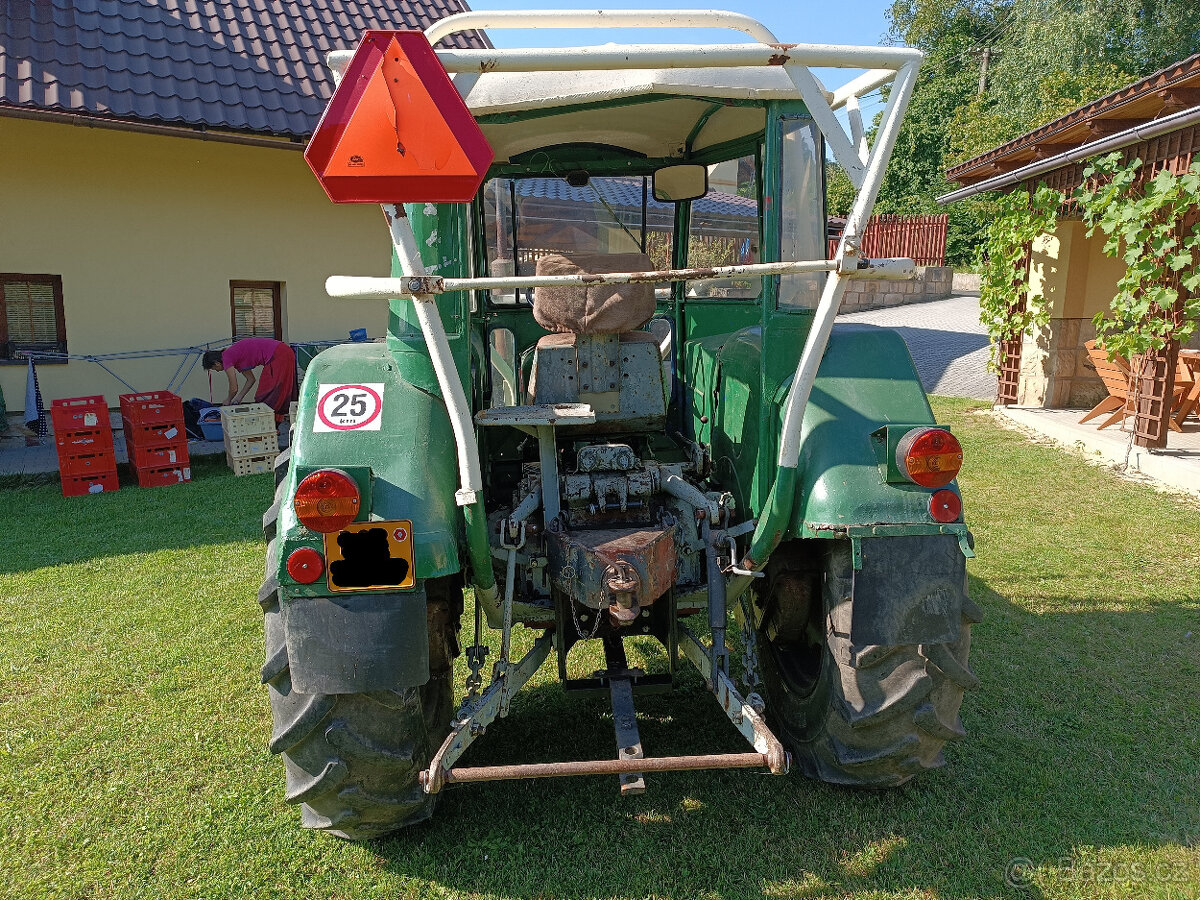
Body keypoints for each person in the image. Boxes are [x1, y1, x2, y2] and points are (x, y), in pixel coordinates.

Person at [202, 337, 297, 419]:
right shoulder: (234, 355)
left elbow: (234, 388)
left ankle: (269, 426)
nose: (218, 371)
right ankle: (274, 426)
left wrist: (228, 400)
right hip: (284, 351)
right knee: (279, 393)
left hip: (279, 354)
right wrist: (239, 398)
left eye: (215, 369)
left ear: (217, 363)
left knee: (266, 394)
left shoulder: (226, 358)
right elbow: (251, 380)